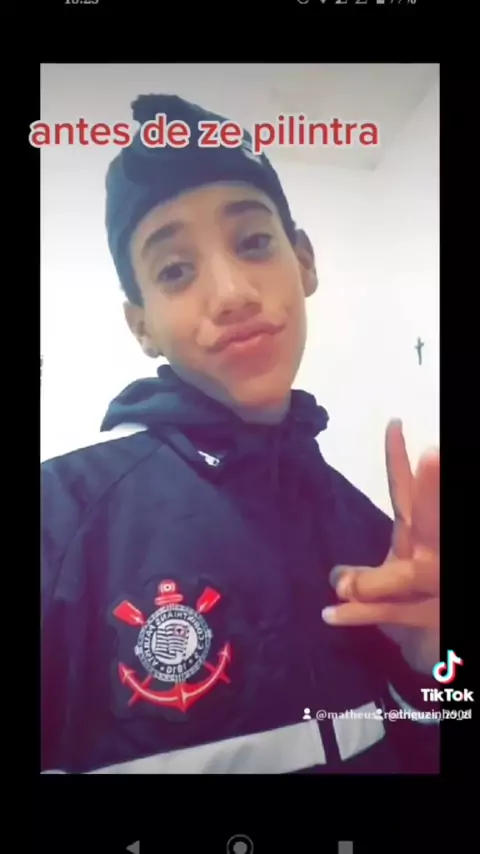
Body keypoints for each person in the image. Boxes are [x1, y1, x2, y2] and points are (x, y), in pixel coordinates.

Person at [41, 94, 440, 775]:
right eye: (175, 271)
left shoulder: (369, 529)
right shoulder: (59, 519)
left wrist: (435, 664)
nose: (231, 294)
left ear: (304, 262)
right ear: (141, 324)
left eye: (254, 242)